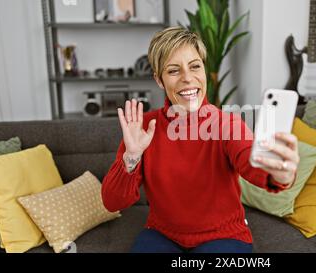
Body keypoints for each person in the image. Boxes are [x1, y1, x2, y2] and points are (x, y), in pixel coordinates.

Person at [101, 26, 300, 253]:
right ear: (159, 80)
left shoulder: (228, 124)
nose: (188, 78)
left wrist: (280, 173)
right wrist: (132, 156)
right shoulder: (143, 128)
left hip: (224, 237)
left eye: (195, 66)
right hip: (162, 234)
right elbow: (112, 202)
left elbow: (251, 161)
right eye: (174, 71)